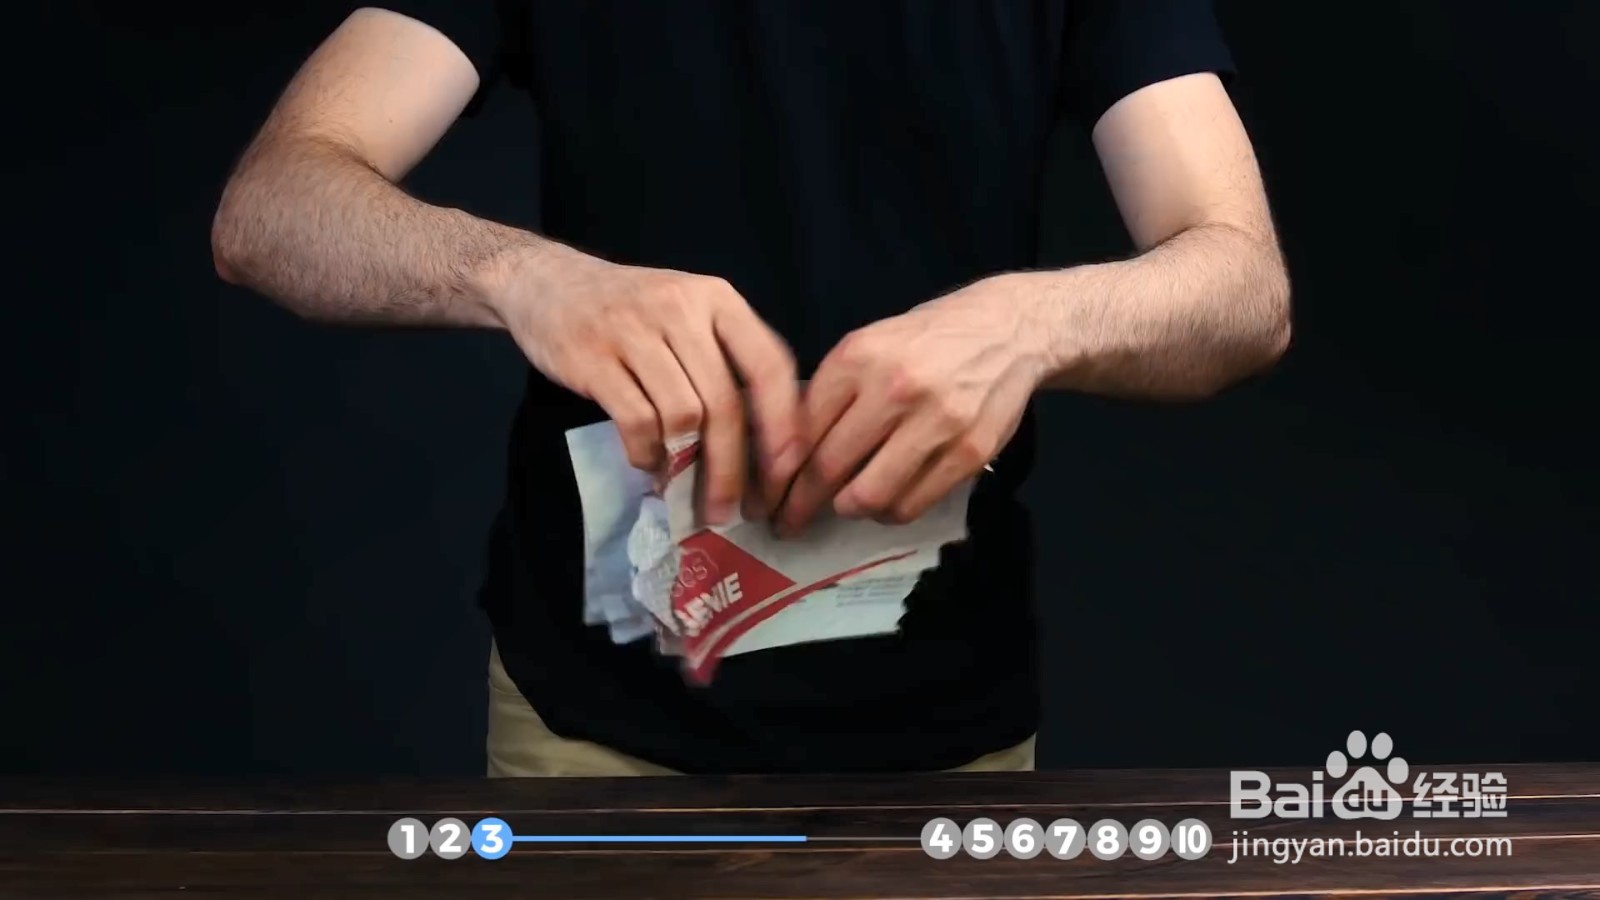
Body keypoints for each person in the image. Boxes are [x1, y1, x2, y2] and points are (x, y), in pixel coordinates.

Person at [211, 0, 1290, 777]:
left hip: (950, 743)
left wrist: (1034, 323)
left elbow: (1244, 286)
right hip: (590, 736)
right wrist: (521, 274)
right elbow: (272, 205)